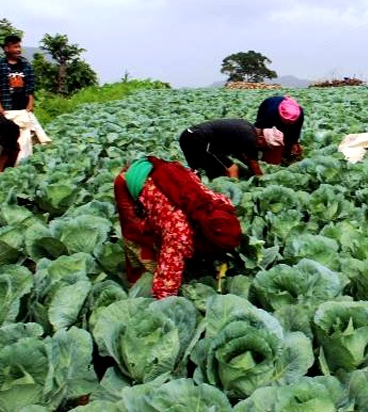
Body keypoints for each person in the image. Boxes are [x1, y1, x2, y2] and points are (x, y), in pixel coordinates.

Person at [114, 156, 243, 299]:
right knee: (137, 235)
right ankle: (134, 279)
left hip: (156, 173)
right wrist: (163, 299)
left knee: (165, 231)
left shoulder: (220, 205)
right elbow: (169, 269)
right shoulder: (178, 229)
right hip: (130, 180)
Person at [0, 34, 51, 165]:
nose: (18, 49)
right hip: (6, 107)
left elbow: (30, 88)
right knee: (4, 139)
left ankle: (20, 164)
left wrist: (30, 103)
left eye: (19, 46)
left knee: (24, 139)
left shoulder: (26, 65)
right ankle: (1, 167)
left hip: (22, 108)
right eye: (15, 47)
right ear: (6, 49)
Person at [179, 119, 284, 179]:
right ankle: (232, 203)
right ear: (261, 138)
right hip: (198, 140)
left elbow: (239, 154)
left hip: (188, 136)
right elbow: (254, 166)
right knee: (232, 169)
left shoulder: (248, 128)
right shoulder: (250, 138)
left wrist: (249, 167)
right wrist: (262, 180)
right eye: (265, 145)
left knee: (200, 172)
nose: (263, 149)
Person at [254, 95, 304, 164]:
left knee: (288, 137)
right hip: (268, 105)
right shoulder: (270, 112)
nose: (287, 123)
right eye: (286, 121)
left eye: (290, 122)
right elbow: (259, 127)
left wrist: (295, 142)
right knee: (267, 136)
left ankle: (285, 153)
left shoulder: (299, 113)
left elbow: (297, 129)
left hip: (282, 112)